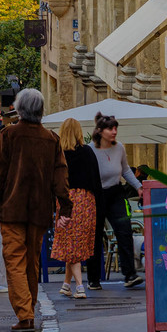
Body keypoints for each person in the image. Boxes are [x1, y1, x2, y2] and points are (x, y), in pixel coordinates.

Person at [0, 89, 71, 332]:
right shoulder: (52, 139)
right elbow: (60, 177)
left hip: (13, 208)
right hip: (40, 210)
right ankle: (28, 311)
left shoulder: (9, 135)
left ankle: (25, 314)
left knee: (14, 260)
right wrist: (65, 207)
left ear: (20, 109)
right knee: (32, 262)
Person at [90, 114, 144, 290]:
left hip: (116, 193)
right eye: (110, 128)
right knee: (95, 235)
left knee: (124, 229)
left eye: (115, 128)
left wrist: (138, 187)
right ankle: (93, 278)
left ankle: (130, 274)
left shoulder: (119, 148)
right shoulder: (91, 150)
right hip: (96, 195)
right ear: (100, 131)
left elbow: (126, 170)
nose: (114, 132)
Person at [52, 117, 100, 299]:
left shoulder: (60, 154)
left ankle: (79, 286)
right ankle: (67, 284)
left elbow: (54, 181)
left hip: (66, 200)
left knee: (70, 243)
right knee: (76, 243)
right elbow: (96, 179)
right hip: (87, 200)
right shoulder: (88, 152)